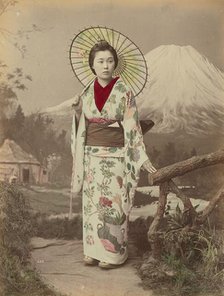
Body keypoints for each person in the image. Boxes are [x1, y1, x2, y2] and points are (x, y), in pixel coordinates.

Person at [71, 40, 156, 269]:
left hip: (116, 156)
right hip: (91, 155)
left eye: (110, 60)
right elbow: (83, 126)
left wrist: (141, 157)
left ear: (115, 64)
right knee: (92, 206)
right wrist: (79, 111)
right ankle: (92, 251)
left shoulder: (124, 92)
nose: (106, 65)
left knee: (113, 206)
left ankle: (114, 254)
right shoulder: (86, 92)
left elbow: (132, 126)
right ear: (92, 65)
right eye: (100, 61)